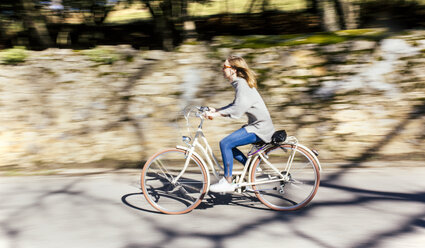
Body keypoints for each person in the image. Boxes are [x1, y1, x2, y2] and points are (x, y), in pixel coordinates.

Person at [205, 55, 275, 193]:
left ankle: (228, 181)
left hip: (260, 128)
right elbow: (236, 104)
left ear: (233, 70)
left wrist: (216, 114)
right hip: (258, 125)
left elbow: (237, 109)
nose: (222, 69)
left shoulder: (241, 84)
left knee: (225, 143)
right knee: (230, 144)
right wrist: (217, 110)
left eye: (225, 67)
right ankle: (252, 169)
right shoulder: (240, 83)